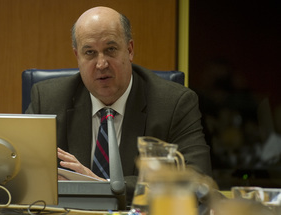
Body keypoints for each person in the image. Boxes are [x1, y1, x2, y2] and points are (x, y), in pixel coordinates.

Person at [26, 6, 212, 203]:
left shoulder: (174, 103)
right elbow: (22, 170)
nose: (101, 64)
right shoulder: (47, 100)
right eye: (89, 52)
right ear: (77, 56)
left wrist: (103, 185)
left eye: (110, 50)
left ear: (130, 50)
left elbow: (198, 180)